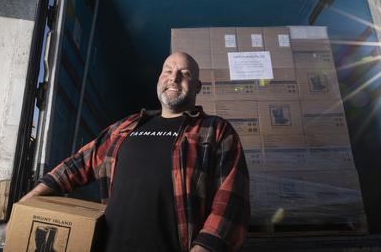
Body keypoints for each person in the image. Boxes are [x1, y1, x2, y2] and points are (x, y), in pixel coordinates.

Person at [16, 52, 250, 252]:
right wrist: (31, 198)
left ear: (198, 86)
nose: (174, 78)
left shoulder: (216, 130)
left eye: (185, 73)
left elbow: (231, 202)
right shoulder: (124, 127)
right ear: (159, 78)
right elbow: (79, 164)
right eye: (168, 71)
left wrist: (204, 248)